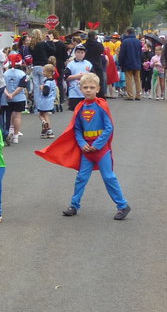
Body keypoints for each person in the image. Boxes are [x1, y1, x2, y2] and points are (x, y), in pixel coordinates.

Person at [36, 72, 131, 221]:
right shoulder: (80, 107)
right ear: (80, 89)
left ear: (98, 88)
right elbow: (77, 128)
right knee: (81, 178)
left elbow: (109, 128)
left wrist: (97, 145)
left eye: (92, 87)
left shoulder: (102, 106)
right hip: (86, 149)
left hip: (101, 149)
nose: (88, 90)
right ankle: (74, 205)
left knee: (109, 177)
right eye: (85, 87)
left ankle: (122, 205)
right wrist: (82, 144)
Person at [3, 56, 29, 144]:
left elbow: (2, 85)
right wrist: (13, 94)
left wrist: (8, 94)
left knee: (8, 116)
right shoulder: (22, 74)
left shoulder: (5, 73)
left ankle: (8, 131)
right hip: (19, 98)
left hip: (7, 98)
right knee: (17, 116)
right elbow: (21, 86)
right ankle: (16, 136)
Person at [118, 28, 143, 100]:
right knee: (137, 80)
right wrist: (140, 62)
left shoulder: (125, 42)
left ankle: (130, 95)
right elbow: (141, 53)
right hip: (137, 63)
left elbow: (122, 54)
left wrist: (120, 63)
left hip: (128, 63)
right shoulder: (138, 42)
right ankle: (138, 95)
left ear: (128, 33)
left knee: (129, 80)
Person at [65, 45, 92, 111]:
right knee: (75, 111)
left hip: (86, 92)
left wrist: (86, 75)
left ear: (85, 54)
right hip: (74, 93)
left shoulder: (88, 64)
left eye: (82, 53)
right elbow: (66, 77)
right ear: (75, 53)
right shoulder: (71, 64)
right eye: (78, 52)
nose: (80, 54)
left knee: (86, 111)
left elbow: (93, 76)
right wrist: (77, 76)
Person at [35, 63, 58, 139]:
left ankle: (44, 123)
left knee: (41, 115)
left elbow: (45, 92)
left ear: (49, 73)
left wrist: (42, 88)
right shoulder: (53, 81)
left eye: (44, 71)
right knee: (46, 114)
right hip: (50, 100)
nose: (43, 73)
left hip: (44, 101)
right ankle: (47, 131)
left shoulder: (47, 83)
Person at [82, 30, 106, 97]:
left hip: (87, 66)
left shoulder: (84, 45)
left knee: (87, 82)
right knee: (99, 82)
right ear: (95, 36)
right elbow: (101, 52)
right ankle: (99, 97)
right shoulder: (99, 45)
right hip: (97, 65)